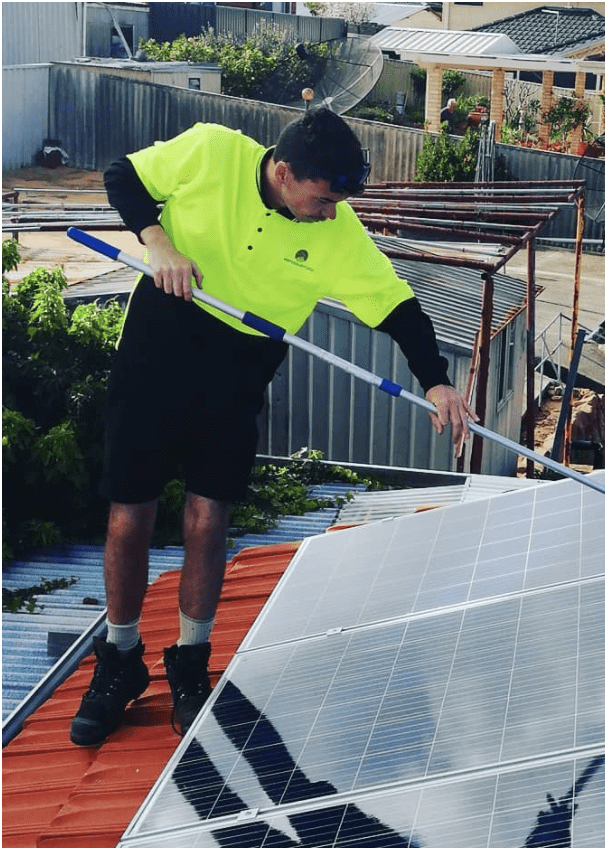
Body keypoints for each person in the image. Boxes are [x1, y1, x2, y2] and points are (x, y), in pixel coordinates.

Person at [69, 107, 477, 747]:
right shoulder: (213, 152)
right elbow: (124, 176)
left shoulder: (337, 231)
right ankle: (120, 662)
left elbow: (396, 305)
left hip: (239, 369)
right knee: (130, 515)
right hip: (159, 343)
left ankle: (190, 664)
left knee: (208, 518)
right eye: (322, 199)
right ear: (283, 172)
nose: (332, 213)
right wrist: (160, 244)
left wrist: (436, 380)